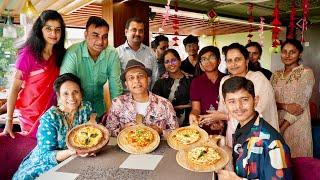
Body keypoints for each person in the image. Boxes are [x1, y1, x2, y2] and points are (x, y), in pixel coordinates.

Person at [13, 73, 95, 179]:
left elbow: (93, 114)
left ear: (81, 93)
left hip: (74, 160)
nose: (72, 97)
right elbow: (45, 155)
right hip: (45, 165)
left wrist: (92, 120)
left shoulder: (85, 107)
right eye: (66, 93)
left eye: (76, 92)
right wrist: (72, 152)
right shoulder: (50, 119)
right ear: (59, 95)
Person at [0, 10, 66, 138]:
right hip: (30, 113)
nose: (54, 33)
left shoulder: (60, 54)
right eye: (49, 29)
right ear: (40, 30)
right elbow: (14, 89)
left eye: (58, 29)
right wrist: (9, 121)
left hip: (51, 112)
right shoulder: (28, 54)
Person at [199, 43, 278, 147]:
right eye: (229, 61)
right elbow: (224, 108)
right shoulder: (225, 81)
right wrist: (220, 123)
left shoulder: (258, 79)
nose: (233, 64)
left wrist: (225, 116)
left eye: (237, 59)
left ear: (246, 60)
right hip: (234, 134)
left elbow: (258, 112)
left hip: (258, 137)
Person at [217, 76, 292, 180]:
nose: (238, 106)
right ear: (225, 104)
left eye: (244, 100)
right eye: (232, 101)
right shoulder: (242, 128)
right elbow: (243, 159)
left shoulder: (273, 143)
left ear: (255, 101)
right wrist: (224, 148)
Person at [60, 16, 123, 119]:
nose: (100, 41)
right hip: (75, 110)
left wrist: (117, 114)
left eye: (105, 36)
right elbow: (65, 86)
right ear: (86, 35)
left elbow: (115, 86)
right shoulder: (73, 53)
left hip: (98, 110)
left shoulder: (112, 54)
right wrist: (67, 117)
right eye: (95, 35)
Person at [105, 59, 178, 137]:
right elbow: (108, 131)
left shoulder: (164, 104)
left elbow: (176, 132)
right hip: (127, 147)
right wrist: (122, 130)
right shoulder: (118, 103)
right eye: (131, 78)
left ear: (148, 80)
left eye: (140, 76)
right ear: (126, 84)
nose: (136, 81)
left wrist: (161, 131)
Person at [271, 39, 315, 158]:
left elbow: (298, 107)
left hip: (297, 126)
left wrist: (281, 128)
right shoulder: (275, 74)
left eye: (292, 52)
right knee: (278, 165)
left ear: (299, 54)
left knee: (297, 164)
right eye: (284, 51)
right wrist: (284, 106)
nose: (288, 55)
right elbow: (269, 101)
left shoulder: (306, 73)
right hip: (276, 123)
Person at [189, 46, 225, 134]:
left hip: (225, 127)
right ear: (201, 64)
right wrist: (193, 115)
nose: (208, 61)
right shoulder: (196, 82)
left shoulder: (227, 79)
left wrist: (222, 121)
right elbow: (196, 108)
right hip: (203, 130)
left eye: (212, 57)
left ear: (219, 60)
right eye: (204, 59)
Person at [152, 49, 191, 126]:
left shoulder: (191, 80)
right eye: (167, 62)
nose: (171, 64)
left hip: (188, 123)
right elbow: (155, 106)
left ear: (180, 61)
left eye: (173, 60)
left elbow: (196, 103)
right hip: (165, 124)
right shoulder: (159, 83)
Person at [117, 17, 158, 87]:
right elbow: (115, 81)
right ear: (126, 32)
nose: (137, 34)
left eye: (141, 31)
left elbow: (155, 78)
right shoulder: (117, 53)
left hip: (147, 96)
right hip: (124, 96)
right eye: (134, 30)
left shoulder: (151, 52)